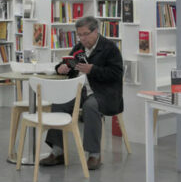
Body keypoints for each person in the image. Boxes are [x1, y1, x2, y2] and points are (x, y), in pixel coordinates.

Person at [40, 15, 123, 171]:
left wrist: (93, 69)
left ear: (96, 31)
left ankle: (94, 155)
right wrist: (61, 69)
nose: (83, 38)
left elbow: (116, 73)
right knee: (58, 103)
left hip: (103, 92)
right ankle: (58, 151)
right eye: (80, 35)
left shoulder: (109, 48)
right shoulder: (79, 47)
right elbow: (65, 63)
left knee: (90, 107)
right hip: (79, 90)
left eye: (86, 34)